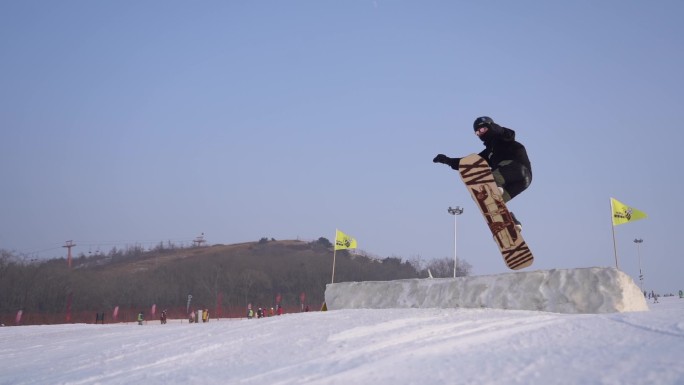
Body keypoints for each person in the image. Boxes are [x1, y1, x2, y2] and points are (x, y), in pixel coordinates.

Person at [433, 116, 532, 230]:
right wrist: (447, 160)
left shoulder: (502, 138)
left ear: (490, 126)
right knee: (492, 204)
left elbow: (507, 133)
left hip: (517, 167)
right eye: (477, 132)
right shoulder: (489, 153)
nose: (480, 134)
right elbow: (469, 163)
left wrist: (494, 127)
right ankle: (511, 222)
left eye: (483, 130)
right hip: (523, 182)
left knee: (485, 182)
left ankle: (494, 185)